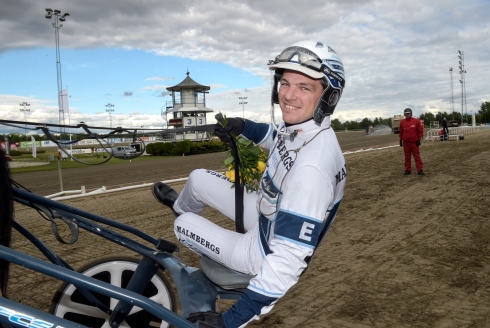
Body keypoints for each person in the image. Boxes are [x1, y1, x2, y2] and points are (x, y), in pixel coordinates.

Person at [153, 40, 347, 327]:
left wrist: (230, 320)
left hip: (262, 250)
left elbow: (288, 261)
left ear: (328, 98)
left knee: (183, 225)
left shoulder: (312, 169)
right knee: (196, 178)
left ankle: (184, 214)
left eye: (304, 87)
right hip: (267, 214)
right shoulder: (303, 128)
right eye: (284, 83)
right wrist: (241, 127)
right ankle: (181, 204)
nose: (288, 96)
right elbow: (275, 137)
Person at [399, 108, 424, 175]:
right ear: (404, 114)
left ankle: (420, 170)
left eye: (408, 113)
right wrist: (401, 139)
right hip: (406, 143)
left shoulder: (416, 121)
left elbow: (420, 131)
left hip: (414, 142)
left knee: (417, 156)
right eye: (406, 113)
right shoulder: (402, 122)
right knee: (407, 157)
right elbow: (401, 132)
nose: (407, 115)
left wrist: (418, 139)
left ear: (411, 114)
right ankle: (408, 170)